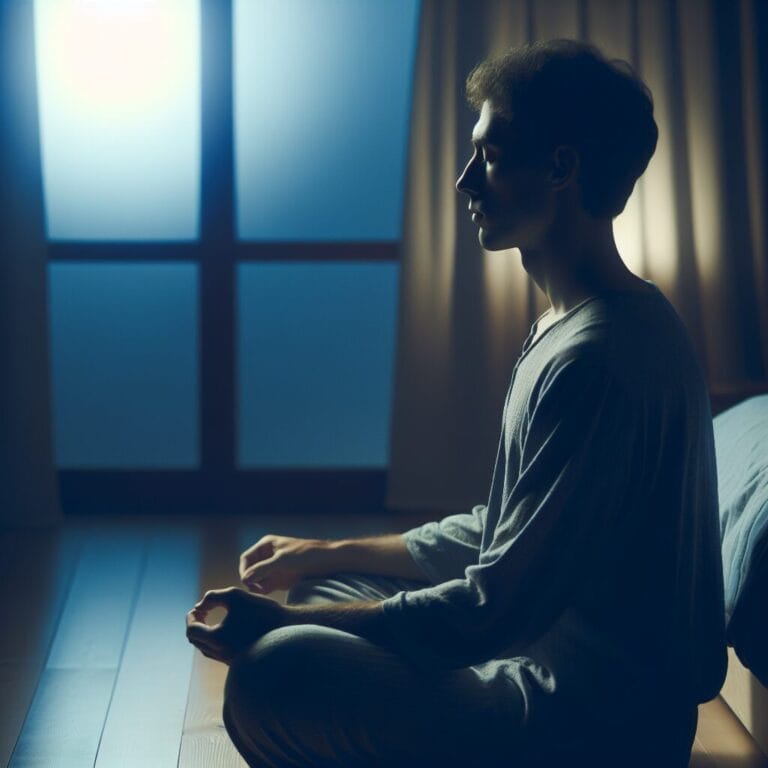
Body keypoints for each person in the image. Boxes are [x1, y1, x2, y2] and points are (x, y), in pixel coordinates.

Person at [186, 39, 727, 767]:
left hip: (584, 723)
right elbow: (506, 534)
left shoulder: (601, 358)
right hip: (536, 667)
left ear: (562, 168)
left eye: (491, 156)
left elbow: (487, 611)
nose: (464, 180)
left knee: (274, 672)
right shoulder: (575, 323)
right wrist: (324, 551)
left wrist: (276, 622)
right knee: (324, 585)